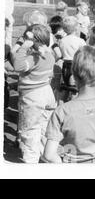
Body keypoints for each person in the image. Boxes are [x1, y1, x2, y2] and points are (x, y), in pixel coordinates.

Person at [11, 24, 57, 163]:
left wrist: (24, 47)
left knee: (30, 131)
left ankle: (31, 162)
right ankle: (45, 156)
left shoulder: (33, 59)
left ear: (31, 41)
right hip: (47, 93)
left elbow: (18, 66)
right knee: (43, 128)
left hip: (33, 97)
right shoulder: (49, 55)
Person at [59, 17, 87, 93]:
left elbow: (61, 53)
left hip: (65, 65)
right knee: (76, 87)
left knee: (66, 86)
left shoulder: (62, 41)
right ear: (76, 28)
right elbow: (85, 54)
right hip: (76, 65)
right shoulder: (80, 41)